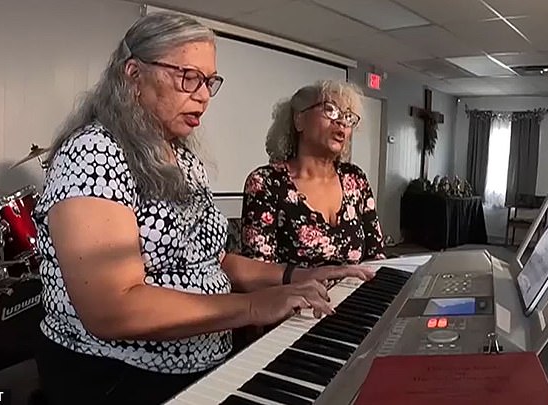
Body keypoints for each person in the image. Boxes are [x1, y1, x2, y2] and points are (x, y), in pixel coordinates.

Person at [32, 12, 371, 405]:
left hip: (206, 368)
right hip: (118, 379)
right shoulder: (94, 152)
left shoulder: (182, 158)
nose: (204, 95)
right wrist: (251, 306)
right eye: (187, 77)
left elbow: (215, 260)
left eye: (209, 81)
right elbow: (112, 308)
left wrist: (298, 274)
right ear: (133, 74)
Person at [241, 80, 386, 268]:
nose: (341, 122)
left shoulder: (355, 179)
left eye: (348, 117)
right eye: (331, 110)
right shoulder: (265, 183)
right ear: (299, 120)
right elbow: (257, 271)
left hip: (355, 295)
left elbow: (376, 256)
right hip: (294, 296)